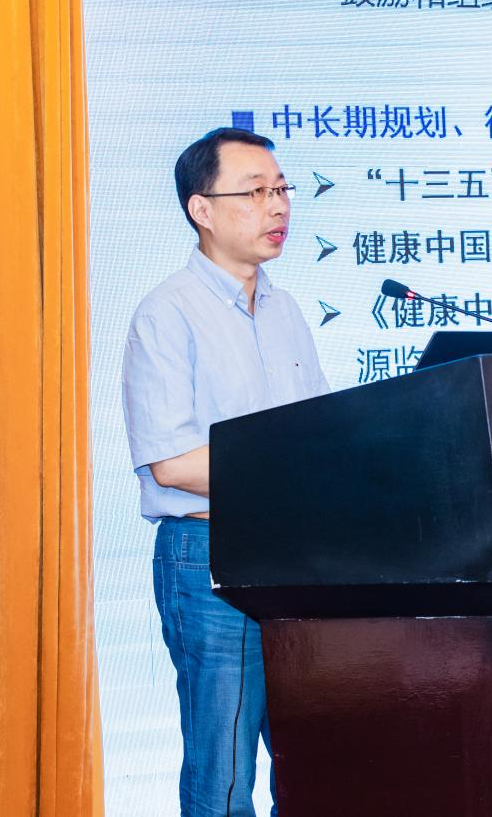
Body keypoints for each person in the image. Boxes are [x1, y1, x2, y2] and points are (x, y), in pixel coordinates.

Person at [122, 127, 329, 816]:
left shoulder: (286, 310)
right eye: (255, 192)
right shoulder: (166, 314)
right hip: (210, 554)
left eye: (281, 189)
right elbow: (172, 461)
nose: (278, 206)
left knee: (314, 763)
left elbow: (317, 433)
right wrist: (289, 468)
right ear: (201, 209)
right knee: (225, 776)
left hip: (298, 556)